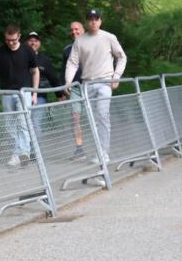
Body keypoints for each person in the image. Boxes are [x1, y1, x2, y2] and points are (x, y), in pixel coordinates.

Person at [64, 9, 127, 164]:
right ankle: (99, 151)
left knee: (103, 116)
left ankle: (104, 153)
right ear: (87, 21)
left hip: (104, 82)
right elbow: (72, 62)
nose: (93, 21)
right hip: (87, 83)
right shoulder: (80, 41)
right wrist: (68, 81)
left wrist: (116, 76)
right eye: (90, 19)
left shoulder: (109, 37)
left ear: (100, 20)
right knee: (92, 120)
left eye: (96, 18)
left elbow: (122, 57)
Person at [0, 24, 39, 167]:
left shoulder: (27, 51)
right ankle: (15, 154)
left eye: (13, 40)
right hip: (6, 93)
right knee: (10, 125)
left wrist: (35, 93)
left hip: (24, 92)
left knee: (23, 122)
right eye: (8, 40)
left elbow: (35, 72)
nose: (10, 43)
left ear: (19, 37)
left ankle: (24, 152)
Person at [26, 31, 62, 144]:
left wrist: (60, 94)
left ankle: (35, 152)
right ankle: (24, 151)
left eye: (35, 41)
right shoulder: (20, 56)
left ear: (39, 43)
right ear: (26, 42)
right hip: (22, 95)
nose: (33, 43)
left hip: (40, 96)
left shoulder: (44, 60)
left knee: (35, 122)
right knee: (24, 123)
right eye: (31, 40)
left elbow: (53, 78)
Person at [62, 22, 87, 160]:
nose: (74, 32)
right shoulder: (67, 49)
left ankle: (101, 148)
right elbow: (63, 70)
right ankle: (79, 149)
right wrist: (63, 89)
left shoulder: (92, 44)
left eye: (76, 29)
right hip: (75, 88)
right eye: (71, 30)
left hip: (91, 86)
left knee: (96, 116)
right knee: (75, 118)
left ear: (83, 30)